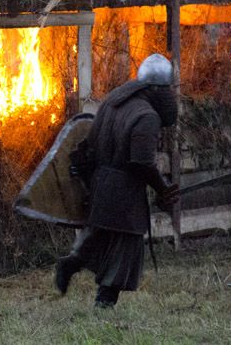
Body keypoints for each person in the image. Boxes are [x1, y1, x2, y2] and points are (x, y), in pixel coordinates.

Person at [54, 53, 181, 309]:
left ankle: (73, 261)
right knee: (125, 249)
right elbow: (142, 162)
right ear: (156, 89)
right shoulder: (147, 116)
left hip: (100, 182)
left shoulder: (114, 101)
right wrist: (162, 187)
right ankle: (104, 302)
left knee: (100, 236)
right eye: (166, 89)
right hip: (125, 191)